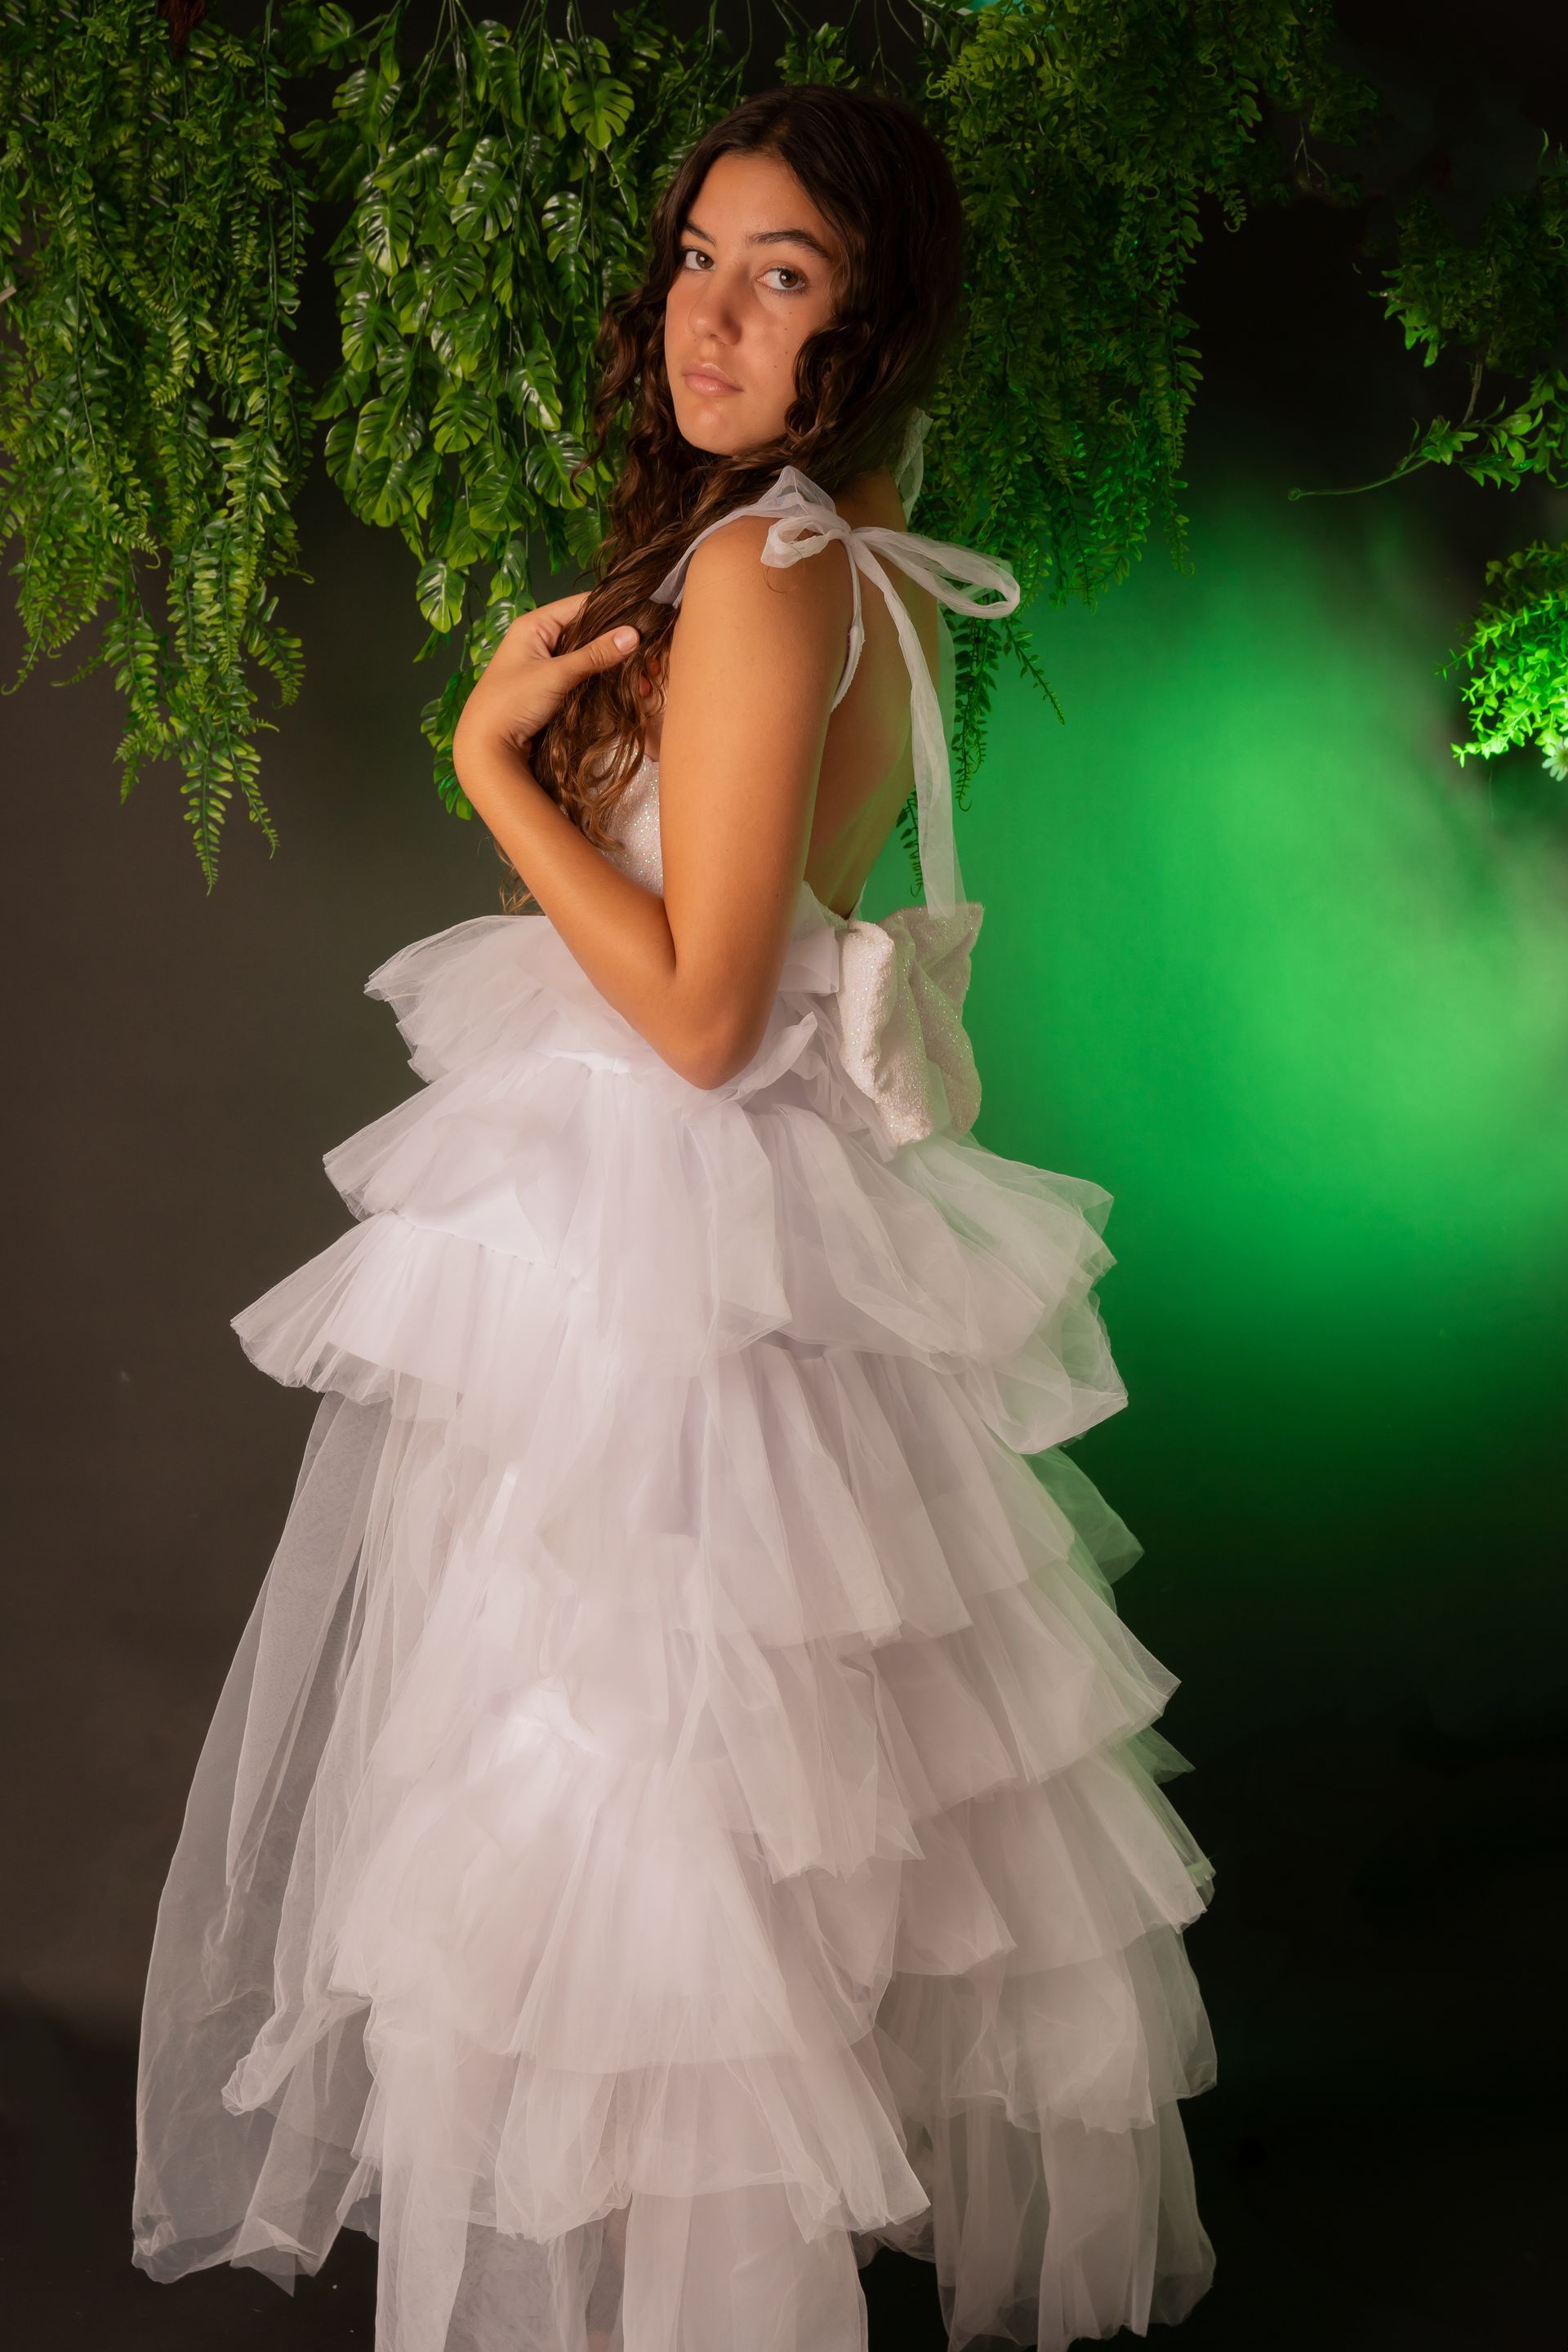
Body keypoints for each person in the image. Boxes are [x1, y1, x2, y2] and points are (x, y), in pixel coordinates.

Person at [132, 82, 1218, 2352]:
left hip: (680, 1231)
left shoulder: (767, 566)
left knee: (655, 1788)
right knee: (731, 1796)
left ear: (871, 323)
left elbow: (708, 1016)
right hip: (744, 1233)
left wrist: (490, 770)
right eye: (699, 259)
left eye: (781, 274)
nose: (708, 316)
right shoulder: (869, 553)